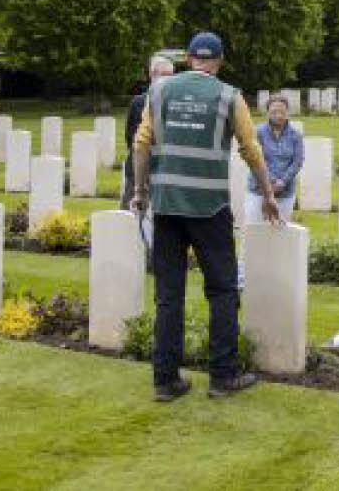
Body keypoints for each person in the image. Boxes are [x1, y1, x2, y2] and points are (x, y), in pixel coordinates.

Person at [131, 31, 281, 402]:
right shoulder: (229, 96)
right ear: (219, 61)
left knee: (168, 296)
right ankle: (222, 375)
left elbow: (141, 144)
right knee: (223, 289)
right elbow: (250, 148)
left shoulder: (159, 91)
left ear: (188, 59)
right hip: (209, 208)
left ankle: (166, 380)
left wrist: (140, 191)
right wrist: (268, 194)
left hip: (166, 206)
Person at [121, 56, 175, 210]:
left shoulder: (177, 103)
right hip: (138, 170)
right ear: (152, 76)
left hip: (164, 170)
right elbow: (130, 136)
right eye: (162, 74)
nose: (166, 79)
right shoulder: (138, 102)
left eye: (170, 75)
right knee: (130, 214)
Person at [246, 95, 303, 223]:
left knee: (280, 233)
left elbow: (297, 161)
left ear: (287, 112)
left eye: (282, 112)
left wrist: (283, 181)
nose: (278, 115)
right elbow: (255, 159)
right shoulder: (257, 132)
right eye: (274, 112)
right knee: (255, 230)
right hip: (258, 191)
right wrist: (271, 181)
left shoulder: (295, 135)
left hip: (285, 192)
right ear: (267, 113)